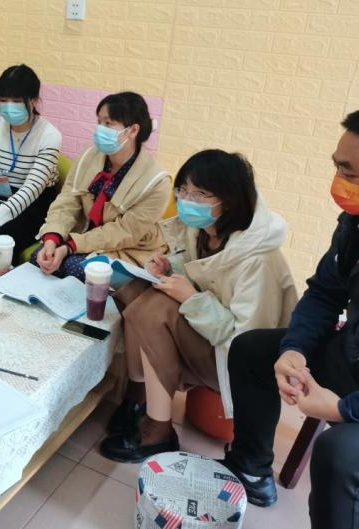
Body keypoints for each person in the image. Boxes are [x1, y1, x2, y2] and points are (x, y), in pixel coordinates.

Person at [222, 104, 359, 529]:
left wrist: (346, 409)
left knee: (341, 454)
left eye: (349, 172)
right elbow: (325, 292)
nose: (338, 181)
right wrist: (294, 349)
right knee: (254, 350)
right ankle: (251, 470)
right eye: (336, 166)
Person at [100, 150, 298, 462]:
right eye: (183, 190)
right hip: (209, 337)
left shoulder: (259, 260)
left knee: (154, 310)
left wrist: (190, 298)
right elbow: (209, 277)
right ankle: (137, 398)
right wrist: (172, 266)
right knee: (134, 289)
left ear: (228, 200)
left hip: (236, 364)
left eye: (200, 194)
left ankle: (158, 430)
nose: (186, 200)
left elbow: (245, 344)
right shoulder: (204, 232)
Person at [31, 91, 170, 280]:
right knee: (40, 258)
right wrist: (52, 238)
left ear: (133, 130)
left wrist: (70, 246)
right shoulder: (88, 156)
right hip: (85, 236)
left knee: (79, 269)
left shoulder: (156, 181)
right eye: (99, 122)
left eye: (108, 123)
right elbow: (67, 201)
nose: (100, 129)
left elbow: (124, 232)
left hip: (128, 248)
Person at [0, 65, 61, 256]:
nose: (8, 106)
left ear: (34, 101)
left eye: (16, 101)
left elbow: (32, 188)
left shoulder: (50, 135)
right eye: (3, 100)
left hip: (34, 202)